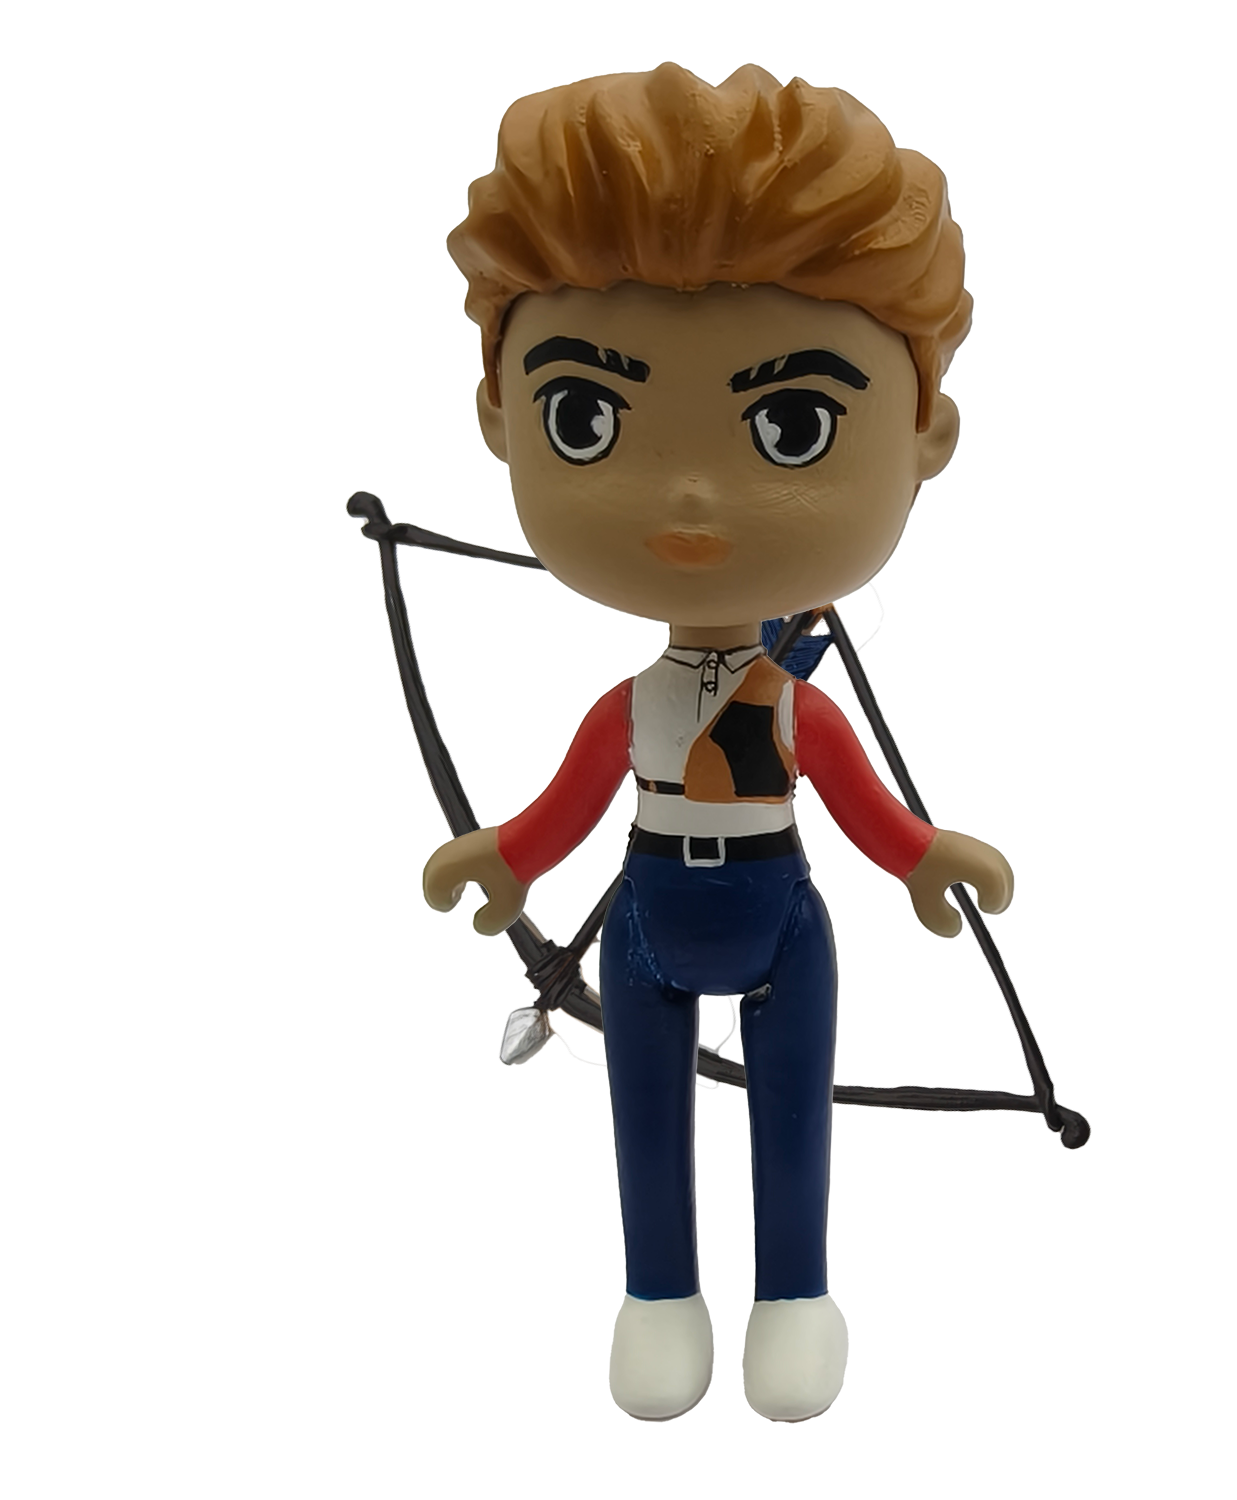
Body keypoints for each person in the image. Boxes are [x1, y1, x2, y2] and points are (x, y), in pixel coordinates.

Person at [425, 62, 1014, 1424]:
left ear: (922, 432)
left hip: (777, 917)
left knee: (793, 1123)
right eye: (586, 417)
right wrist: (506, 858)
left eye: (792, 425)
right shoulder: (629, 711)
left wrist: (923, 856)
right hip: (646, 918)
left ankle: (794, 1295)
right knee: (646, 1130)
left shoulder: (794, 710)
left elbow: (862, 805)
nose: (689, 495)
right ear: (501, 416)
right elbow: (570, 802)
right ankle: (658, 1296)